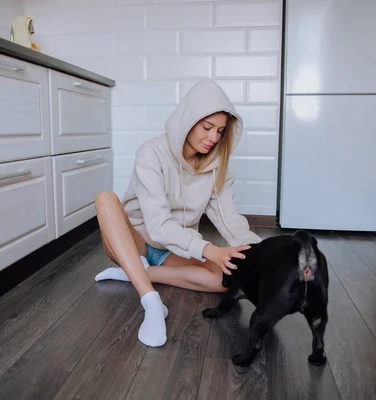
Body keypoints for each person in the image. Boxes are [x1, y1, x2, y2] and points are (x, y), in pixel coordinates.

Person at [94, 79, 261, 347]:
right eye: (207, 128)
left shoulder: (218, 167)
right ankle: (150, 301)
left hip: (174, 251)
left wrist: (264, 253)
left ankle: (138, 273)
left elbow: (231, 222)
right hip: (135, 241)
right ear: (187, 121)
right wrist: (211, 250)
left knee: (227, 279)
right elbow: (159, 226)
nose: (213, 138)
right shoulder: (151, 153)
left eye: (220, 131)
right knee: (105, 199)